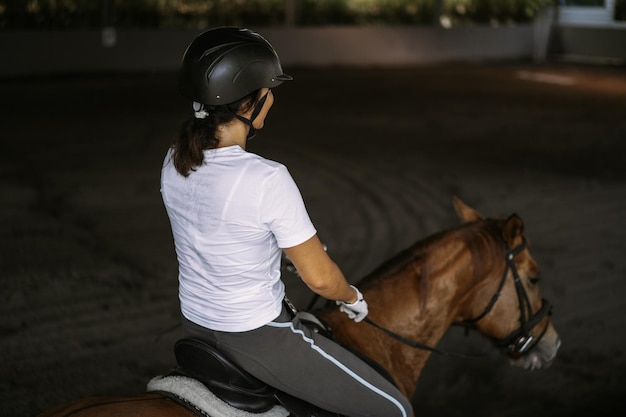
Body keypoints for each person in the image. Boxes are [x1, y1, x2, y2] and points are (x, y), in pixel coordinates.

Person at [160, 27, 414, 417]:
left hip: (197, 326)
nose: (272, 98)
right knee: (396, 409)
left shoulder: (174, 159)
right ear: (249, 104)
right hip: (258, 336)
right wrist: (351, 297)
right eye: (268, 90)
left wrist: (280, 256)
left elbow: (215, 236)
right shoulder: (267, 178)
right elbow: (320, 280)